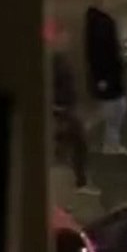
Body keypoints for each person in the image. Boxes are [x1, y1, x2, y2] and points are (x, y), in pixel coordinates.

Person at [49, 24, 99, 195]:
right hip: (62, 110)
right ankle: (80, 182)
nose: (67, 41)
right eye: (63, 38)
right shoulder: (55, 61)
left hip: (64, 108)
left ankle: (77, 180)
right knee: (78, 144)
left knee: (71, 143)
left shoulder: (58, 59)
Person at [84, 0, 127, 154]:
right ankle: (108, 143)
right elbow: (101, 54)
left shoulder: (97, 22)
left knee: (113, 110)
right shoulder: (102, 24)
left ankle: (111, 144)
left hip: (107, 76)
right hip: (108, 76)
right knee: (113, 111)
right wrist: (102, 78)